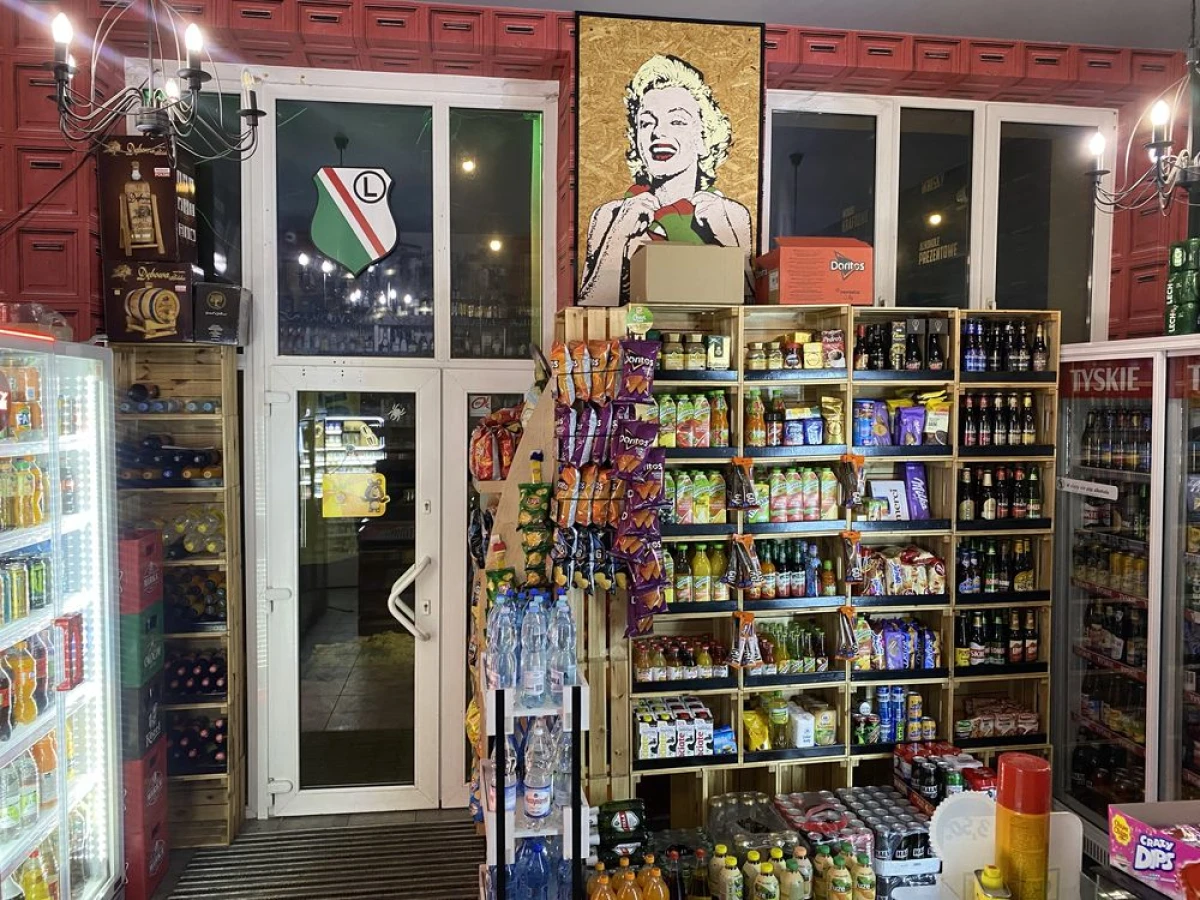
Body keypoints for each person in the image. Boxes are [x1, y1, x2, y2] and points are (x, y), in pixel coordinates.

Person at [580, 54, 752, 305]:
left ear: (704, 137)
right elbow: (589, 311)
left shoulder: (731, 215)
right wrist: (617, 239)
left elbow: (748, 307)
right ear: (636, 138)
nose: (658, 132)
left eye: (677, 121)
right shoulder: (609, 215)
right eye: (646, 123)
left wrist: (730, 244)